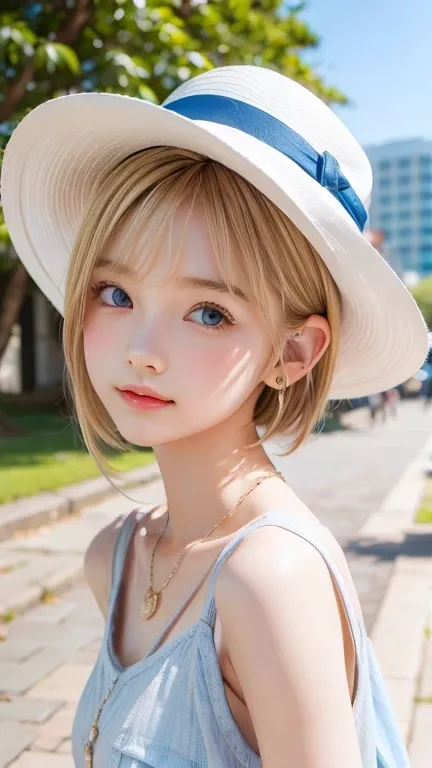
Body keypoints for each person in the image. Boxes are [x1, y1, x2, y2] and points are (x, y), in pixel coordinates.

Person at [2, 65, 426, 768]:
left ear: (291, 352)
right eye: (114, 292)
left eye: (208, 313)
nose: (142, 351)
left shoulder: (269, 580)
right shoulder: (115, 555)